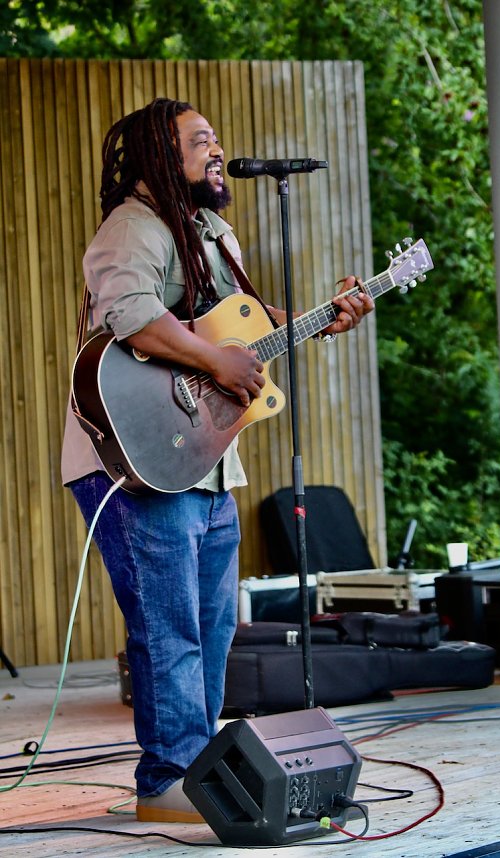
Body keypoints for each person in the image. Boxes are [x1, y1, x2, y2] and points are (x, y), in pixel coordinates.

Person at [61, 97, 374, 824]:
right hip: (131, 463)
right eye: (199, 140)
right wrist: (214, 360)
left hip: (201, 463)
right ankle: (165, 782)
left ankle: (194, 772)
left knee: (208, 628)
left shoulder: (210, 234)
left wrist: (326, 321)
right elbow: (130, 313)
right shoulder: (133, 227)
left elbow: (240, 338)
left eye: (215, 137)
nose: (216, 149)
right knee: (168, 628)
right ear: (157, 156)